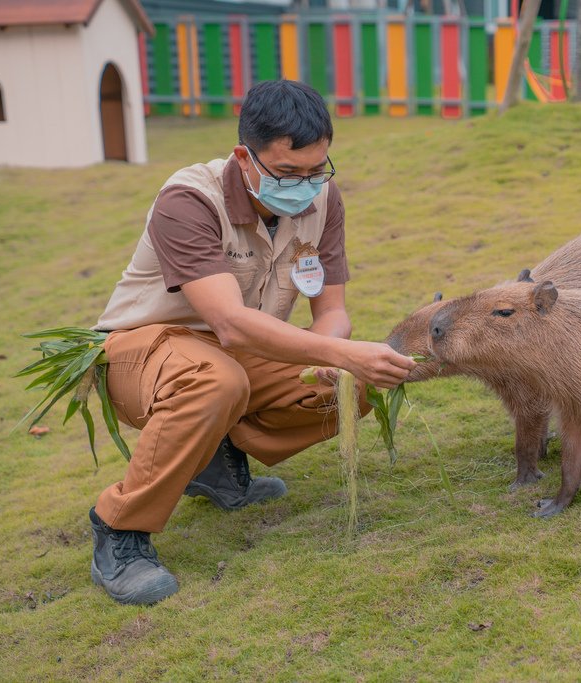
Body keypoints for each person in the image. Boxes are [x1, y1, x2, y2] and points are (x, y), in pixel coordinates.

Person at [88, 81, 415, 605]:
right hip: (146, 351)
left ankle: (214, 460)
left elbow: (329, 310)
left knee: (343, 392)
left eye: (317, 169)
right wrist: (342, 351)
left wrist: (335, 358)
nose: (305, 185)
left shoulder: (323, 200)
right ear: (244, 157)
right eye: (287, 173)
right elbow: (231, 324)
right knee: (215, 381)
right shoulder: (189, 200)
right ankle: (119, 530)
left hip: (239, 354)